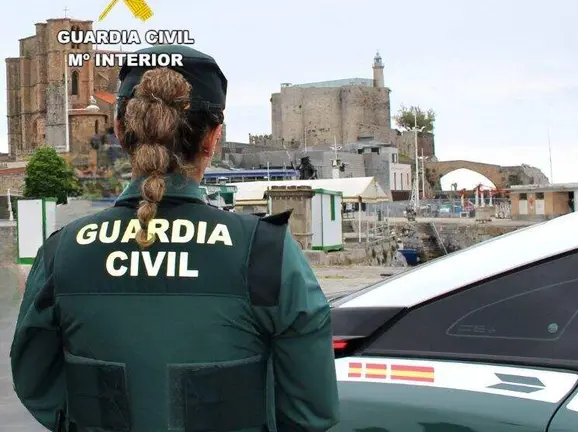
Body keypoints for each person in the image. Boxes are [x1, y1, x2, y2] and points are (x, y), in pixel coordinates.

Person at [10, 45, 339, 432]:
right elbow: (311, 411)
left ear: (119, 130)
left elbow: (37, 385)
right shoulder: (266, 252)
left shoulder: (63, 252)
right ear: (213, 137)